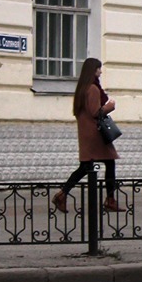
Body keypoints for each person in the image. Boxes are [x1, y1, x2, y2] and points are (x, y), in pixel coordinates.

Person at [53, 58, 125, 213]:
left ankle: (62, 194)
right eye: (98, 69)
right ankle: (110, 200)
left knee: (85, 167)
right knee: (108, 164)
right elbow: (95, 113)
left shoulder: (82, 88)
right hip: (95, 135)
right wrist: (109, 107)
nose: (100, 71)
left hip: (87, 134)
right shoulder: (92, 89)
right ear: (93, 70)